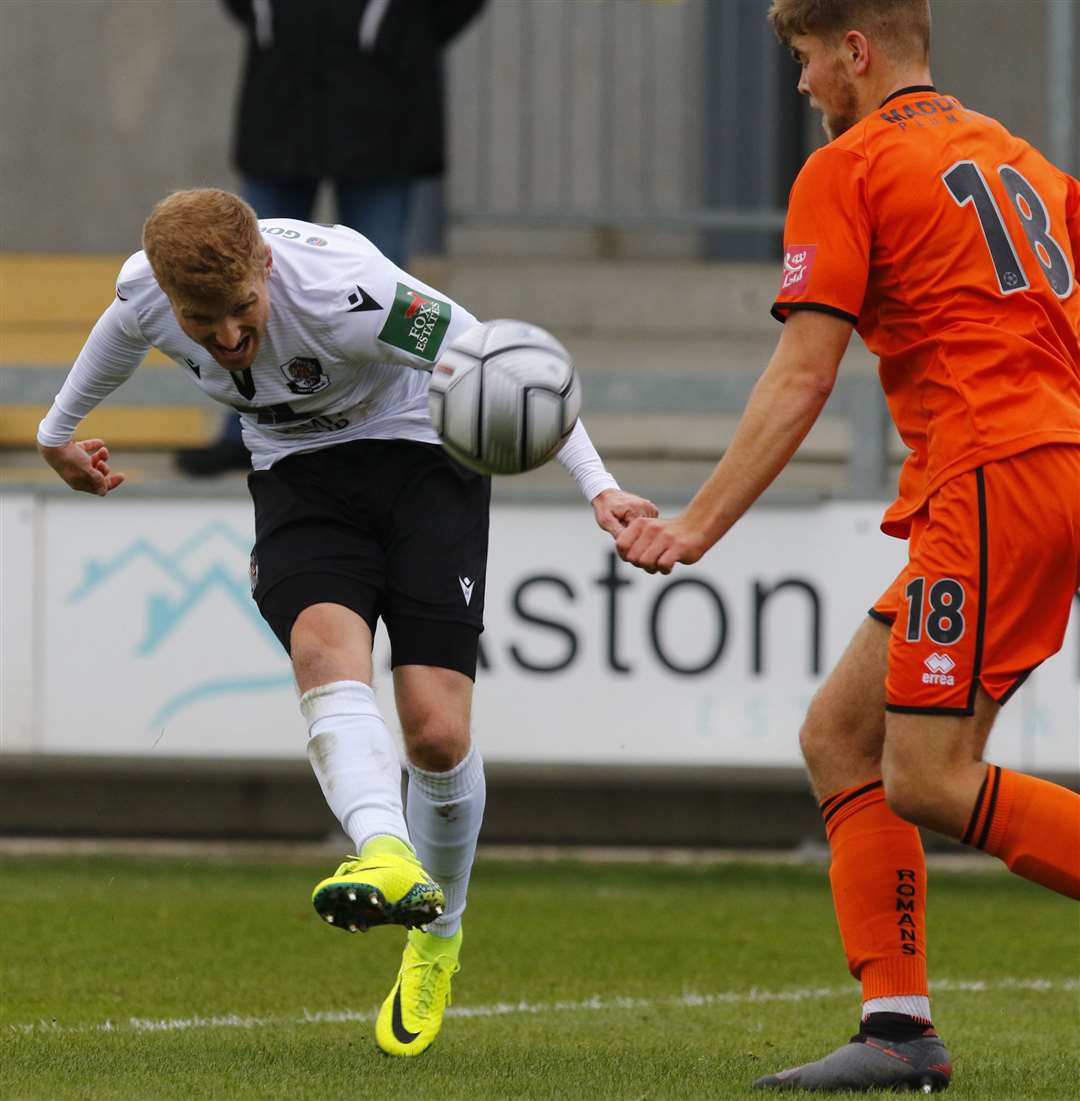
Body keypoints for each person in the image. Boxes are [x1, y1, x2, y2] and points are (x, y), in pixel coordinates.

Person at [37, 187, 658, 1057]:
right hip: (299, 474)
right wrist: (58, 430)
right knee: (323, 650)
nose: (223, 337)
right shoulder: (149, 288)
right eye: (201, 319)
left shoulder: (348, 294)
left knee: (437, 735)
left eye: (240, 310)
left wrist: (599, 486)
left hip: (419, 452)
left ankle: (438, 936)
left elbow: (499, 364)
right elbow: (120, 330)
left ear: (266, 268)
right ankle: (383, 852)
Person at [615, 0, 1080, 1092]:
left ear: (856, 53)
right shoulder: (1023, 163)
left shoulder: (853, 165)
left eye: (808, 58)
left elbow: (804, 375)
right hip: (1037, 468)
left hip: (988, 477)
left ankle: (900, 1034)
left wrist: (696, 524)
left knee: (926, 775)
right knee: (841, 735)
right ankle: (897, 1031)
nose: (802, 85)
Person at [176, 0, 486, 477]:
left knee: (387, 293)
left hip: (383, 109)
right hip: (280, 103)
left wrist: (401, 30)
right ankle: (245, 426)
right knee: (242, 275)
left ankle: (402, 429)